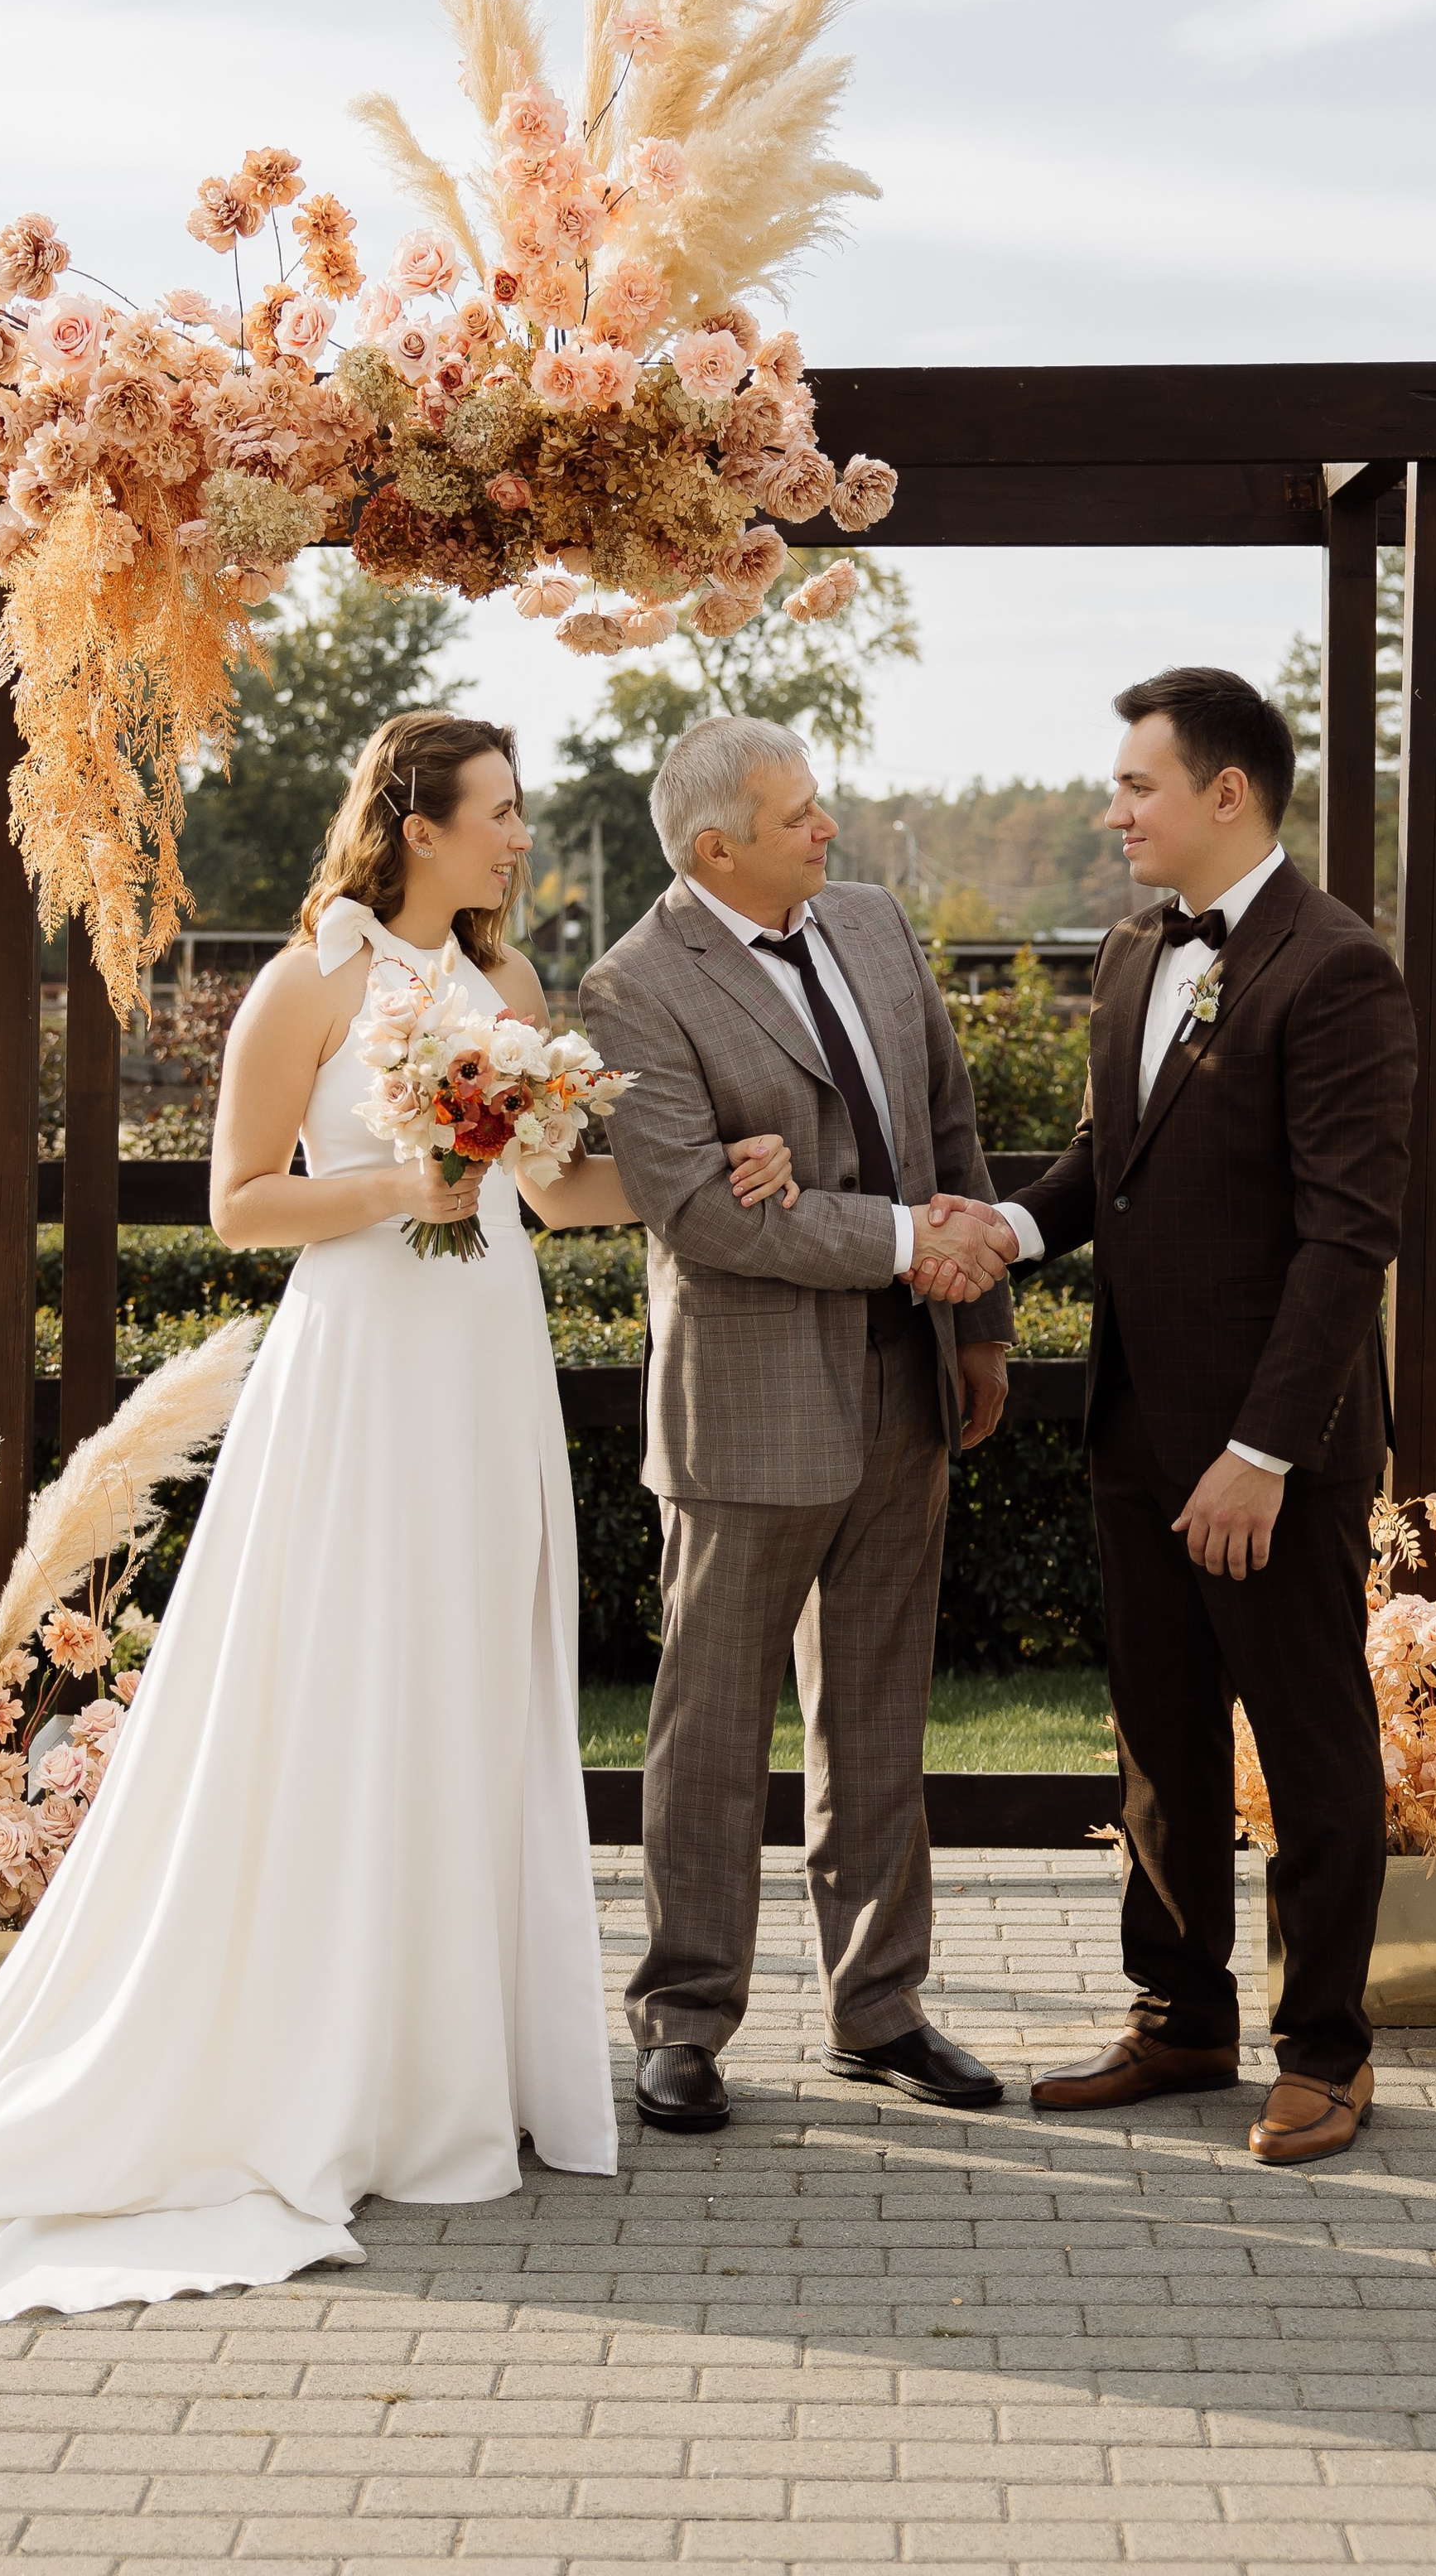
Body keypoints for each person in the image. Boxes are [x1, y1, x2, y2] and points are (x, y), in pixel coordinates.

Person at [0, 712, 802, 2342]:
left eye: (520, 816)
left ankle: (457, 2062)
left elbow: (552, 1193)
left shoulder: (512, 994)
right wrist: (406, 1178)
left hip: (485, 1366)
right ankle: (331, 2065)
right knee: (347, 1686)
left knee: (471, 1685)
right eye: (501, 814)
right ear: (412, 823)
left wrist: (703, 1179)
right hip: (363, 1369)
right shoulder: (309, 983)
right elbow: (239, 1203)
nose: (520, 838)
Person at [929, 668, 1414, 2166]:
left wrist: (1262, 1455)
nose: (1113, 808)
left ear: (1229, 794)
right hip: (1136, 1431)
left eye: (1137, 785)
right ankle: (1184, 2018)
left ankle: (1327, 2049)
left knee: (1314, 1749)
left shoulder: (1339, 972)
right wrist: (1003, 1228)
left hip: (1269, 1455)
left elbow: (1348, 1239)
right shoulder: (1138, 948)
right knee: (1161, 1744)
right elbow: (1107, 1162)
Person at [581, 716, 1019, 2135]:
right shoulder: (633, 988)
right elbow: (704, 1214)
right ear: (718, 849)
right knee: (712, 1729)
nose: (827, 830)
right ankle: (685, 2019)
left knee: (881, 1713)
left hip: (911, 1381)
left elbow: (948, 1123)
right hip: (749, 1408)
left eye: (821, 809)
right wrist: (904, 1242)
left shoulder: (877, 925)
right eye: (799, 817)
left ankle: (880, 2012)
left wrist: (980, 1319)